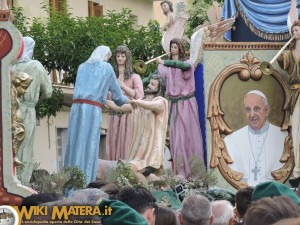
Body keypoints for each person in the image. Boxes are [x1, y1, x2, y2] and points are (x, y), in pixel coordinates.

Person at [64, 46, 130, 185]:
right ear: (105, 55)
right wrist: (130, 101)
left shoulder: (82, 66)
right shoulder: (106, 68)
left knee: (74, 145)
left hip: (76, 108)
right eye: (109, 56)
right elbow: (118, 97)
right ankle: (85, 183)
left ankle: (69, 183)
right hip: (92, 109)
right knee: (89, 146)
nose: (108, 59)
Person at [106, 74, 168, 184]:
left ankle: (147, 194)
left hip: (150, 153)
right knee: (138, 175)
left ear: (159, 88)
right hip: (138, 151)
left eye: (153, 84)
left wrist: (136, 102)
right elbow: (120, 107)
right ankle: (163, 185)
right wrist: (103, 101)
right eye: (150, 82)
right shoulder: (139, 102)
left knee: (130, 170)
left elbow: (154, 106)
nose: (148, 85)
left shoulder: (161, 101)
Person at [157, 37, 204, 177]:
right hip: (173, 104)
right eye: (171, 47)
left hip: (187, 104)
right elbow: (158, 78)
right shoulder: (166, 66)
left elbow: (183, 67)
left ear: (181, 49)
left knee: (189, 137)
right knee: (176, 138)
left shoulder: (188, 63)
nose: (172, 49)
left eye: (175, 47)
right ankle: (180, 171)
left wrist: (165, 62)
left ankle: (195, 172)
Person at [11, 37, 53, 185]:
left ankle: (11, 181)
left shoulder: (11, 66)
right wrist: (36, 100)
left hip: (10, 110)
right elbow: (48, 92)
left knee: (12, 147)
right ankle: (22, 184)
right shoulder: (36, 65)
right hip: (28, 110)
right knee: (26, 149)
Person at [224, 90, 288, 186]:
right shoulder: (231, 140)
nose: (252, 115)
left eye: (256, 109)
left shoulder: (283, 137)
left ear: (266, 110)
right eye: (248, 109)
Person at [106, 45, 144, 161]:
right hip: (114, 115)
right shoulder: (111, 77)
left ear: (127, 58)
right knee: (113, 142)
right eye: (118, 56)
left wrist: (122, 85)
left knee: (126, 142)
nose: (120, 58)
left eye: (123, 56)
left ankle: (126, 170)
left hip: (128, 116)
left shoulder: (134, 77)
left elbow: (139, 96)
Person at [277, 20, 300, 178]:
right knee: (296, 131)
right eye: (293, 31)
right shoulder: (288, 54)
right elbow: (279, 60)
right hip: (295, 95)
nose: (295, 33)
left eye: (297, 30)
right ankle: (298, 170)